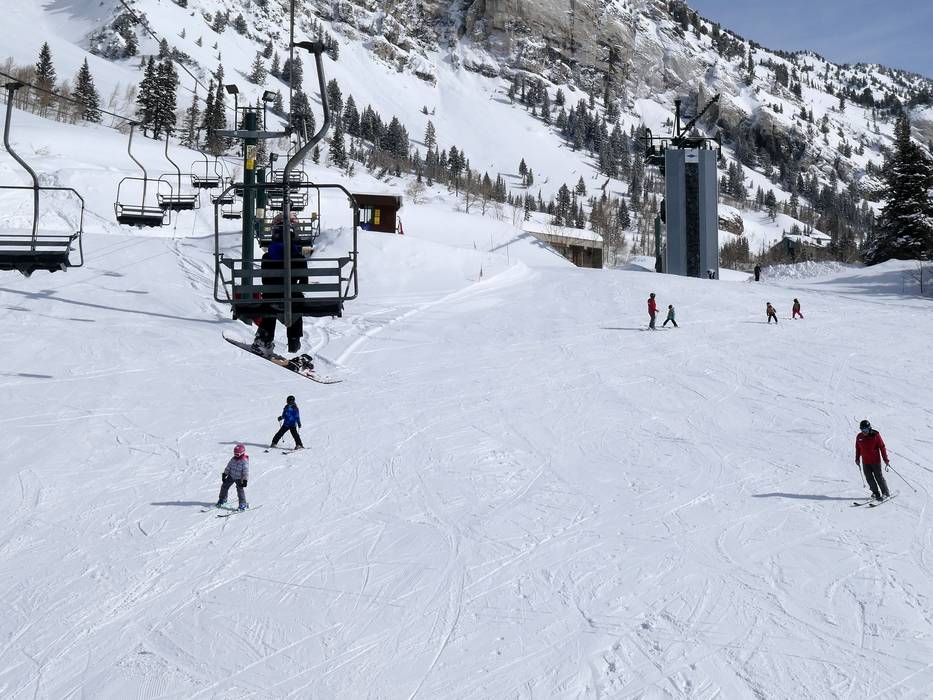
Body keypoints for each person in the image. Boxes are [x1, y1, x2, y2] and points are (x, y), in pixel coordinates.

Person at [252, 213, 310, 356]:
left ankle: (263, 340)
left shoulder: (267, 257)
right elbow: (304, 283)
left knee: (270, 305)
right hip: (293, 298)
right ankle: (294, 340)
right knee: (295, 304)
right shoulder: (299, 258)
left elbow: (265, 281)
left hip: (271, 296)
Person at [855, 419, 890, 501]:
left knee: (879, 477)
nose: (864, 432)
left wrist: (885, 459)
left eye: (866, 430)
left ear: (869, 428)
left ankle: (885, 493)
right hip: (865, 462)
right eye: (862, 430)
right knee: (869, 478)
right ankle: (875, 493)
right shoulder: (859, 437)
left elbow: (882, 447)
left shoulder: (876, 435)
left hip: (875, 461)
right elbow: (858, 448)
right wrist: (857, 458)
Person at [217, 443, 250, 510]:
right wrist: (225, 474)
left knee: (240, 490)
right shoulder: (233, 459)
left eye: (237, 454)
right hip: (231, 476)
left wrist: (245, 480)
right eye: (235, 454)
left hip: (239, 478)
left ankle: (243, 504)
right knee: (224, 486)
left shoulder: (244, 461)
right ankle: (223, 499)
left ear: (242, 453)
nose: (236, 456)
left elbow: (245, 472)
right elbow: (228, 466)